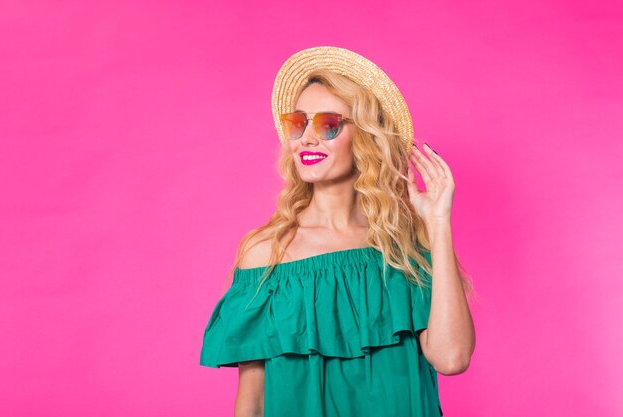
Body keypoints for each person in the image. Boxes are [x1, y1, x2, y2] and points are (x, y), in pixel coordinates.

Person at [200, 46, 476, 417]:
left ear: (365, 138)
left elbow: (452, 357)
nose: (307, 138)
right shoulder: (267, 254)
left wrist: (438, 224)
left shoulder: (404, 252)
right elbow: (251, 403)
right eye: (298, 123)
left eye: (328, 124)